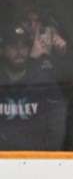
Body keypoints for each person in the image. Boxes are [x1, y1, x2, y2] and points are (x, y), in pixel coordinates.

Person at [16, 0, 73, 148]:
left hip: (58, 121)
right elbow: (13, 85)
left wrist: (65, 53)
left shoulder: (57, 41)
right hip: (24, 122)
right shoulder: (16, 45)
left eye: (38, 21)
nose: (33, 27)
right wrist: (32, 59)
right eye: (28, 22)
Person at [0, 20, 67, 150]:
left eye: (24, 46)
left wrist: (38, 160)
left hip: (35, 163)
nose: (20, 51)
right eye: (14, 46)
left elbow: (56, 132)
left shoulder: (45, 82)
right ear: (2, 50)